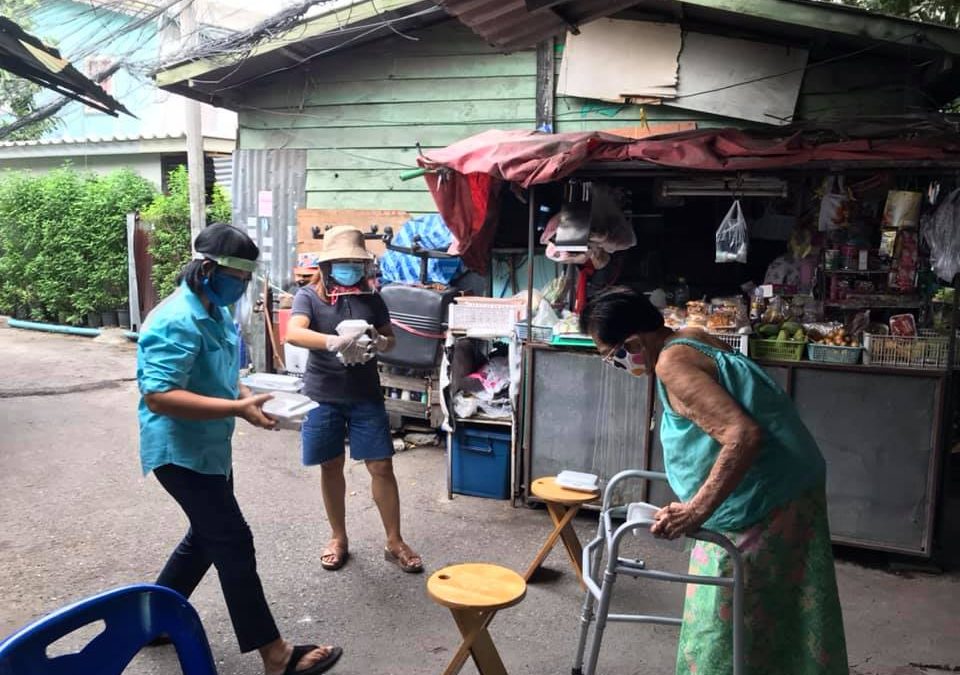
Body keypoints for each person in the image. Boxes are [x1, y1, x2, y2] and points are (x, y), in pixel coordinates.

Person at [580, 286, 847, 675]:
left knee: (723, 621)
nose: (615, 364)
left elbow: (743, 435)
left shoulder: (672, 364)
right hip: (786, 483)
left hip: (764, 499)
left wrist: (694, 511)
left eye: (610, 355)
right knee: (781, 612)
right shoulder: (689, 336)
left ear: (633, 342)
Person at [137, 223, 342, 675]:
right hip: (180, 453)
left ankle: (151, 622)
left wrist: (249, 397)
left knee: (205, 538)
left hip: (210, 449)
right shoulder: (176, 319)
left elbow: (222, 375)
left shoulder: (213, 311)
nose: (242, 285)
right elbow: (159, 396)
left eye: (248, 277)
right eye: (237, 276)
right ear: (207, 269)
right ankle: (276, 655)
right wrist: (237, 408)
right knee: (231, 541)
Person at [285, 226, 423, 574]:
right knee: (330, 465)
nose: (349, 268)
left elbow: (390, 339)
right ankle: (338, 538)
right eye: (342, 262)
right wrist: (332, 342)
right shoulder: (308, 297)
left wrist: (379, 341)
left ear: (363, 265)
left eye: (355, 262)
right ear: (327, 266)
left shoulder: (373, 298)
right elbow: (294, 332)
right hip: (323, 395)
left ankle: (394, 541)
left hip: (365, 395)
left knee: (381, 466)